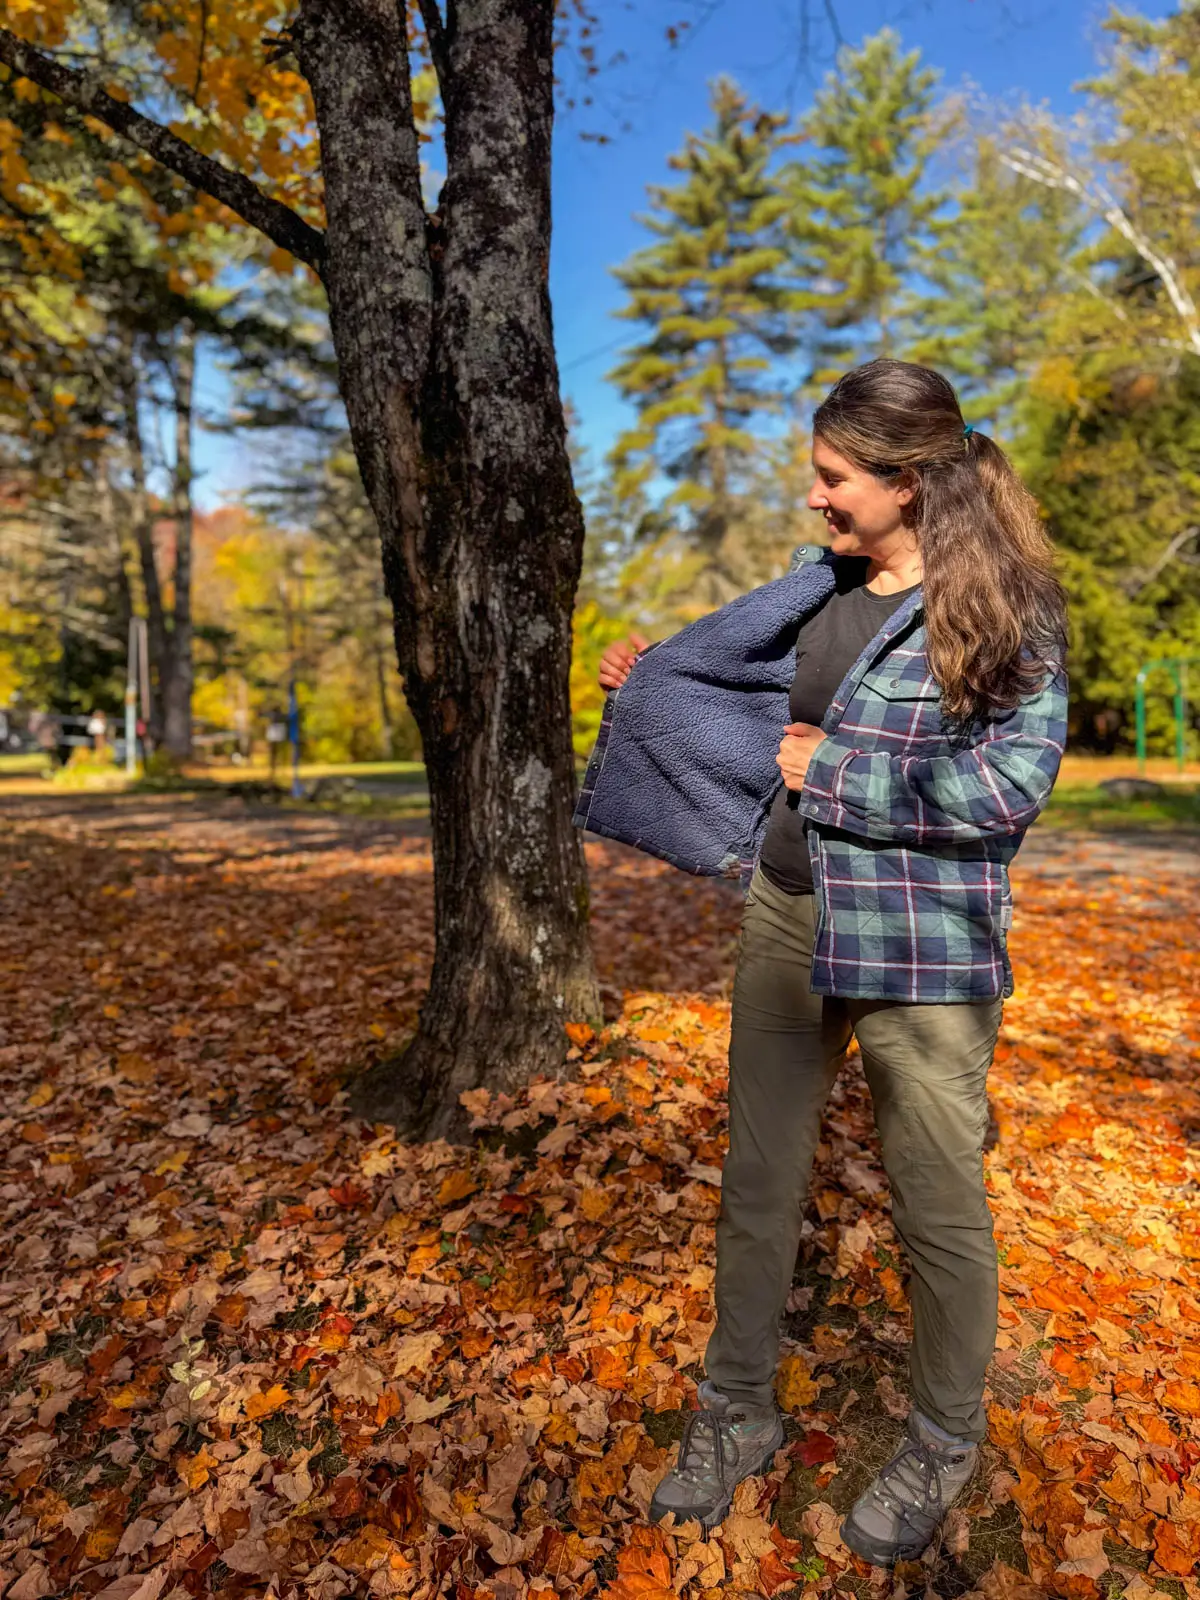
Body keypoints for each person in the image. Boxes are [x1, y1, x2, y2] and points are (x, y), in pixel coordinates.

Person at [582, 359, 1067, 1566]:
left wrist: (834, 777)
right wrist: (656, 685)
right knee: (758, 1182)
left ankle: (945, 1437)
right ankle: (734, 1410)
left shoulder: (1006, 605)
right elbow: (761, 710)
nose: (816, 497)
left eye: (834, 477)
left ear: (908, 482)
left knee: (937, 1206)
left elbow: (1010, 788)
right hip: (790, 914)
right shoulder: (819, 588)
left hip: (922, 943)